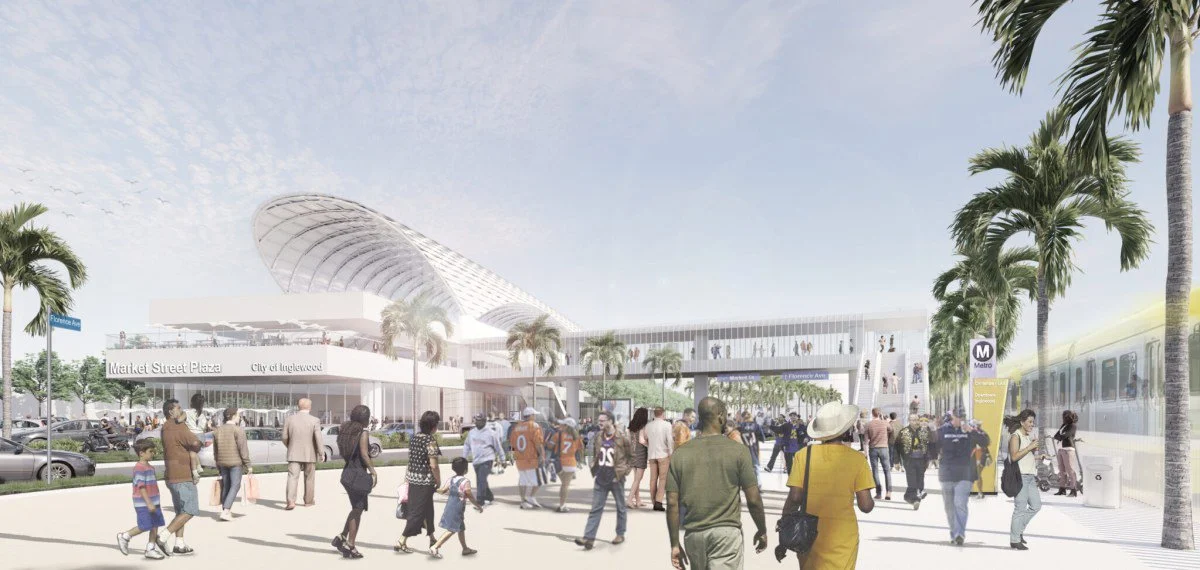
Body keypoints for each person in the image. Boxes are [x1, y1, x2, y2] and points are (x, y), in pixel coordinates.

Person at [666, 397, 768, 570]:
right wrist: (762, 529)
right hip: (726, 535)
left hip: (694, 536)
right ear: (720, 416)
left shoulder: (680, 454)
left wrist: (675, 544)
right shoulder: (738, 451)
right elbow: (753, 499)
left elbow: (671, 502)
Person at [779, 401, 875, 568]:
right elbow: (865, 506)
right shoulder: (857, 459)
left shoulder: (804, 455)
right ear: (844, 429)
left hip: (808, 536)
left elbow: (795, 497)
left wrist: (784, 530)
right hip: (843, 538)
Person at [929, 409, 989, 546]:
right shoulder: (943, 430)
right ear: (952, 417)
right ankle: (954, 531)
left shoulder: (970, 430)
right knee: (949, 506)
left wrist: (971, 431)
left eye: (963, 417)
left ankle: (959, 534)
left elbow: (985, 442)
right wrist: (933, 458)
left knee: (960, 504)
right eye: (959, 417)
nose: (961, 420)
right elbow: (933, 445)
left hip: (965, 473)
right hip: (947, 473)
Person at [575, 410, 632, 550]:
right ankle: (589, 538)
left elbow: (631, 457)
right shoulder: (598, 437)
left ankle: (620, 533)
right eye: (599, 420)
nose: (599, 422)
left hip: (616, 478)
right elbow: (595, 454)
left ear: (611, 421)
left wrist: (623, 472)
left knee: (620, 507)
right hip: (601, 478)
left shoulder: (623, 437)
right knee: (595, 509)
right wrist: (593, 467)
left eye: (602, 420)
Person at [331, 405, 377, 559]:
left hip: (348, 472)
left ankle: (342, 537)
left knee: (356, 508)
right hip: (358, 474)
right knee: (357, 510)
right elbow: (364, 454)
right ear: (365, 418)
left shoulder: (346, 431)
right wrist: (373, 470)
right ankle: (350, 546)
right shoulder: (362, 432)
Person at [159, 398, 202, 555]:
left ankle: (180, 544)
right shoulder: (179, 427)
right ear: (172, 411)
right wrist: (197, 446)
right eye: (179, 408)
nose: (181, 410)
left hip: (171, 474)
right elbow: (195, 443)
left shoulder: (165, 427)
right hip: (183, 474)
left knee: (180, 511)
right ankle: (164, 536)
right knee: (190, 510)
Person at [397, 410, 443, 552]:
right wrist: (438, 480)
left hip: (413, 479)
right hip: (425, 482)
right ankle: (401, 540)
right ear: (434, 426)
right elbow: (434, 465)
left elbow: (410, 460)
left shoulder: (415, 438)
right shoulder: (430, 441)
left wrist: (406, 478)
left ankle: (432, 538)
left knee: (428, 510)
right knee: (417, 512)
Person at [116, 440, 168, 560]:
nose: (153, 453)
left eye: (153, 451)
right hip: (143, 503)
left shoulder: (150, 467)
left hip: (154, 502)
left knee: (155, 524)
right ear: (141, 453)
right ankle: (125, 536)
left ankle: (150, 548)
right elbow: (142, 487)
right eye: (150, 451)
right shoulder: (139, 468)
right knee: (144, 525)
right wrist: (149, 502)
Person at [430, 457, 484, 558]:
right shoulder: (465, 481)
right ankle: (435, 546)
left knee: (461, 528)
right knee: (452, 530)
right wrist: (478, 506)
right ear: (466, 469)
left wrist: (432, 489)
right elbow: (469, 495)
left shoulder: (451, 479)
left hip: (449, 507)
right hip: (457, 509)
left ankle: (465, 548)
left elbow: (442, 491)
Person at [1006, 409, 1041, 550]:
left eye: (1033, 422)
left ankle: (1018, 531)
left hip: (1030, 477)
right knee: (1020, 509)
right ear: (1022, 422)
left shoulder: (1026, 436)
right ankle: (1014, 540)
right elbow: (1014, 457)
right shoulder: (1016, 436)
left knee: (1036, 505)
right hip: (1020, 477)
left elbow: (1025, 456)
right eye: (1030, 422)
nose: (1032, 424)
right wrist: (1030, 447)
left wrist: (1038, 456)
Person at [211, 406, 252, 522]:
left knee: (226, 485)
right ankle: (226, 510)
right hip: (235, 462)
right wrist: (248, 465)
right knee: (235, 485)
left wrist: (217, 463)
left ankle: (225, 510)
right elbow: (243, 449)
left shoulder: (217, 430)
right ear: (233, 416)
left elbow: (215, 450)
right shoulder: (238, 430)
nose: (239, 418)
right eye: (238, 415)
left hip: (222, 461)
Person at [282, 398, 322, 510]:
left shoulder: (289, 419)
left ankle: (291, 502)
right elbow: (318, 438)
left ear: (298, 407)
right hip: (310, 454)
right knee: (309, 478)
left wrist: (290, 446)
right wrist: (321, 452)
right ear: (310, 407)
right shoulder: (315, 420)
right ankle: (308, 501)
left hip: (293, 453)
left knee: (292, 477)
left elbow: (284, 437)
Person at [509, 407, 546, 509]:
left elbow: (512, 443)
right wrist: (542, 455)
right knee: (539, 480)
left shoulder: (516, 427)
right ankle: (530, 497)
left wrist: (512, 455)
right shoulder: (534, 426)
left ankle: (523, 501)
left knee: (522, 480)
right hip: (531, 458)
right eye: (534, 415)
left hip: (520, 458)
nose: (535, 417)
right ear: (530, 416)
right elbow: (538, 443)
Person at [464, 413, 504, 505]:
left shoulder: (491, 433)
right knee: (481, 479)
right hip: (476, 460)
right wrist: (464, 458)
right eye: (476, 420)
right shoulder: (472, 433)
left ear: (484, 421)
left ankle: (479, 500)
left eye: (479, 421)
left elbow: (498, 446)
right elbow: (467, 445)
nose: (477, 422)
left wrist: (502, 459)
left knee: (481, 479)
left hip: (487, 459)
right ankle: (489, 496)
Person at [645, 407, 674, 511]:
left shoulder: (648, 426)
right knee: (663, 479)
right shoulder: (667, 425)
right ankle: (658, 502)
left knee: (653, 479)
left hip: (652, 455)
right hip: (663, 455)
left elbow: (646, 439)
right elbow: (670, 441)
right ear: (663, 414)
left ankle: (654, 501)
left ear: (654, 414)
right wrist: (671, 454)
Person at [552, 417, 584, 512]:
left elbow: (550, 445)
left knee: (563, 485)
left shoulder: (558, 435)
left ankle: (562, 505)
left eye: (563, 424)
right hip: (571, 462)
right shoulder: (576, 436)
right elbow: (581, 448)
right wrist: (580, 460)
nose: (561, 425)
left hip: (559, 462)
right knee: (565, 485)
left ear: (566, 426)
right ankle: (562, 505)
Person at [898, 414, 930, 509]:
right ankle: (914, 500)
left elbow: (929, 446)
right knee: (912, 481)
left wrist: (928, 459)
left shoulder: (923, 431)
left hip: (921, 460)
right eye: (912, 420)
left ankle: (909, 496)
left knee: (920, 481)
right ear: (909, 421)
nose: (915, 422)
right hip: (909, 460)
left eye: (917, 420)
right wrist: (896, 461)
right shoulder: (904, 432)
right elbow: (897, 446)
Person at [865, 408, 893, 501]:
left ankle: (878, 493)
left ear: (872, 414)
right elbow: (891, 429)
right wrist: (884, 420)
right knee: (887, 470)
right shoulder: (884, 423)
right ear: (880, 413)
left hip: (873, 449)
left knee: (875, 471)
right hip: (884, 448)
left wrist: (865, 453)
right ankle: (888, 492)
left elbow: (865, 441)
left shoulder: (868, 424)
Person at [183, 393, 211, 485]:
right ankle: (199, 467)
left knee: (191, 453)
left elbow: (179, 420)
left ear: (191, 403)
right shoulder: (202, 415)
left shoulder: (187, 413)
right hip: (201, 436)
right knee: (194, 452)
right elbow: (204, 427)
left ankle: (195, 472)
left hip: (192, 435)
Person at [625, 407, 650, 509]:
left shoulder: (631, 426)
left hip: (632, 454)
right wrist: (649, 445)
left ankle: (638, 500)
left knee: (636, 479)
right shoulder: (643, 427)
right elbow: (642, 441)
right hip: (640, 454)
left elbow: (628, 440)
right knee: (638, 479)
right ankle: (629, 500)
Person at [1053, 410, 1079, 497]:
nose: (1064, 418)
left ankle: (1073, 490)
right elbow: (1056, 435)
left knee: (1070, 470)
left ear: (1070, 417)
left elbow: (1065, 435)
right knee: (1061, 470)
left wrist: (1061, 436)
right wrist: (1061, 436)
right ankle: (1062, 489)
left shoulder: (1072, 426)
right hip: (1061, 449)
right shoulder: (1064, 425)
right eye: (1063, 416)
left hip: (1068, 449)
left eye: (1066, 416)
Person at [737, 410, 766, 477]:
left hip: (743, 451)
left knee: (744, 471)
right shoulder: (756, 426)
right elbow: (763, 439)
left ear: (742, 418)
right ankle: (758, 485)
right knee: (756, 469)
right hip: (754, 450)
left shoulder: (740, 426)